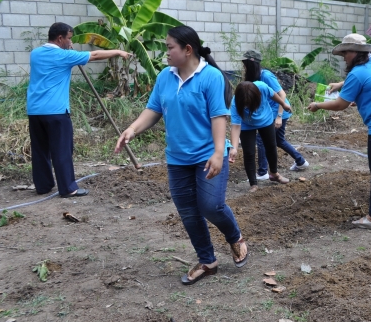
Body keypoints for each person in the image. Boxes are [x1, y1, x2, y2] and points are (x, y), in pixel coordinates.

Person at [115, 25, 247, 285]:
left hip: (208, 155)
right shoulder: (165, 76)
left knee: (211, 206)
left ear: (187, 50)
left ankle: (235, 238)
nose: (166, 52)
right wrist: (132, 129)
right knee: (188, 212)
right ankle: (207, 261)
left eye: (169, 47)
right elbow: (153, 110)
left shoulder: (210, 77)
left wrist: (219, 152)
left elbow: (218, 116)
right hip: (177, 159)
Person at [307, 34, 371, 230]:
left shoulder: (357, 73)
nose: (344, 58)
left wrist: (318, 105)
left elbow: (340, 104)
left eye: (345, 53)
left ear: (355, 52)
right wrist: (342, 85)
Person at [27, 22, 130, 197]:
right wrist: (118, 52)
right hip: (56, 112)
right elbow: (95, 55)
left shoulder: (35, 53)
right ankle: (68, 188)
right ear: (60, 38)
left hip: (35, 110)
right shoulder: (64, 56)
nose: (71, 42)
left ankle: (43, 186)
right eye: (69, 38)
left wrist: (68, 50)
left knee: (40, 150)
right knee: (62, 150)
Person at [237, 50, 309, 179]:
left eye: (245, 64)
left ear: (251, 64)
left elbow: (282, 94)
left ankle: (263, 172)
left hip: (279, 112)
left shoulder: (266, 76)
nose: (244, 67)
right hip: (272, 113)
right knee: (279, 140)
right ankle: (301, 161)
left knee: (261, 140)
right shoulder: (255, 77)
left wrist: (279, 117)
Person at [228, 80, 292, 191]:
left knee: (271, 146)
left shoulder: (262, 87)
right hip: (246, 125)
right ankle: (253, 183)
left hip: (265, 120)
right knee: (249, 152)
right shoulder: (235, 104)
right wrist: (234, 148)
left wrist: (283, 104)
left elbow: (273, 95)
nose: (248, 106)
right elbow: (236, 126)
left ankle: (274, 173)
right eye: (246, 104)